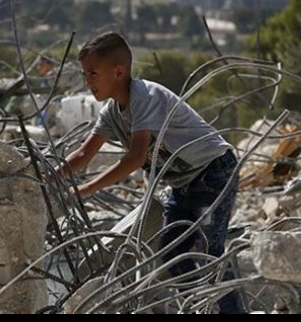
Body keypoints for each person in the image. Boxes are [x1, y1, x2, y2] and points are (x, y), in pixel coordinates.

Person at [57, 32, 244, 314]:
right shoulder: (111, 112)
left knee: (209, 253)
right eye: (85, 74)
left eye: (93, 73)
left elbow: (135, 158)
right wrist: (50, 176)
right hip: (184, 184)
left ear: (118, 72)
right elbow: (84, 154)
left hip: (214, 172)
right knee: (172, 253)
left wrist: (87, 189)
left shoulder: (145, 97)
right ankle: (202, 307)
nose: (88, 81)